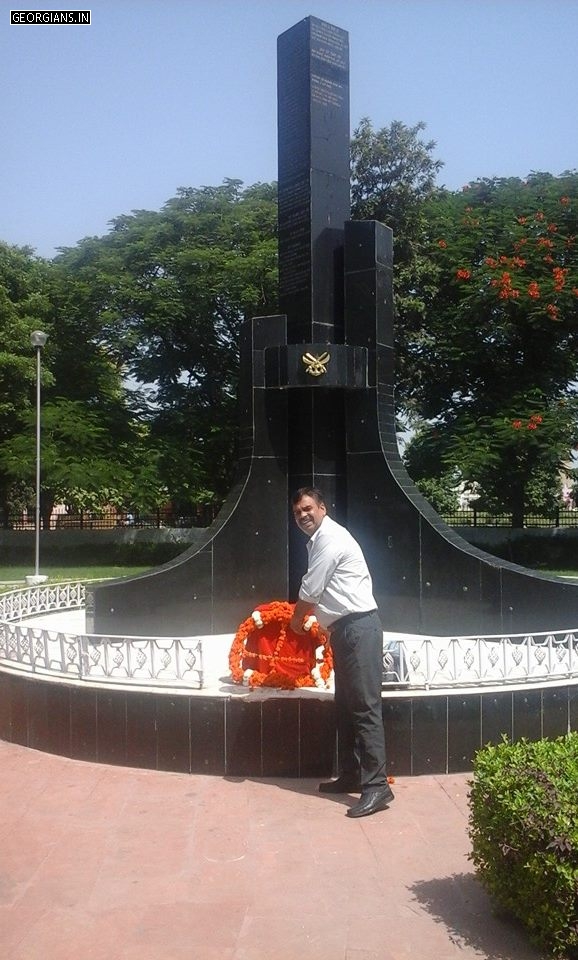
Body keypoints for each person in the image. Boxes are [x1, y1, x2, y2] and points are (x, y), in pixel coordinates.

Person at [289, 486, 394, 819]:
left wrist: (295, 621)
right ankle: (351, 774)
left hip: (359, 629)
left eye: (308, 508)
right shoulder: (321, 539)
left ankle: (377, 787)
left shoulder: (330, 539)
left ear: (323, 507)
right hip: (346, 632)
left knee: (364, 708)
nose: (303, 515)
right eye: (297, 512)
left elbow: (312, 588)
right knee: (346, 708)